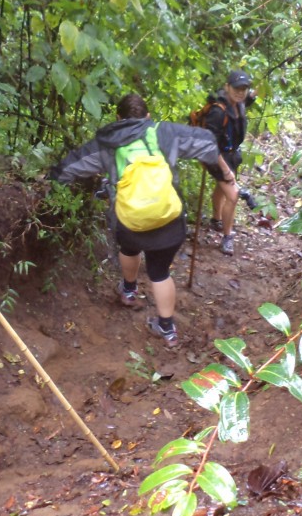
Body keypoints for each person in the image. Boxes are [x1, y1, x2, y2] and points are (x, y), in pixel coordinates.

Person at [49, 93, 238, 345]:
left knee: (129, 247)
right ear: (148, 116)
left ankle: (129, 290)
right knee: (160, 272)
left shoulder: (106, 142)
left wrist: (50, 181)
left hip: (130, 220)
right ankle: (167, 329)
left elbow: (69, 168)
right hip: (168, 217)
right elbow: (206, 142)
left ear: (118, 117)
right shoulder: (164, 132)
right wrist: (223, 173)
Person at [203, 69, 256, 257]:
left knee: (222, 189)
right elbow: (210, 144)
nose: (240, 93)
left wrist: (258, 91)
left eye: (243, 89)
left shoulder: (238, 103)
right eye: (236, 88)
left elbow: (247, 100)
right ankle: (227, 236)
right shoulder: (218, 112)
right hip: (215, 156)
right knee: (232, 196)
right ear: (227, 87)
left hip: (231, 154)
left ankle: (216, 219)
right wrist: (225, 170)